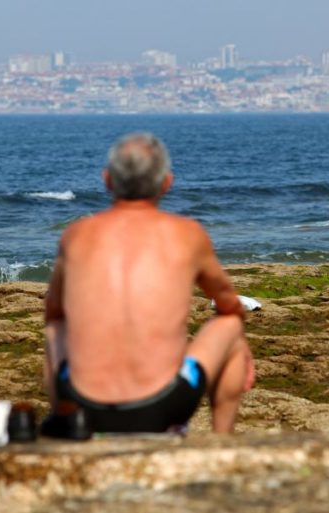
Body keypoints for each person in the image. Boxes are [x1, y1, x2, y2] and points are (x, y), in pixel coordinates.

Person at [42, 132, 255, 437]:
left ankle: (66, 427)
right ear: (166, 183)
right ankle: (222, 442)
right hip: (162, 405)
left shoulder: (76, 235)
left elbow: (53, 313)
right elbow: (229, 304)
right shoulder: (187, 234)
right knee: (231, 324)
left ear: (107, 180)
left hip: (82, 404)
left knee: (54, 329)